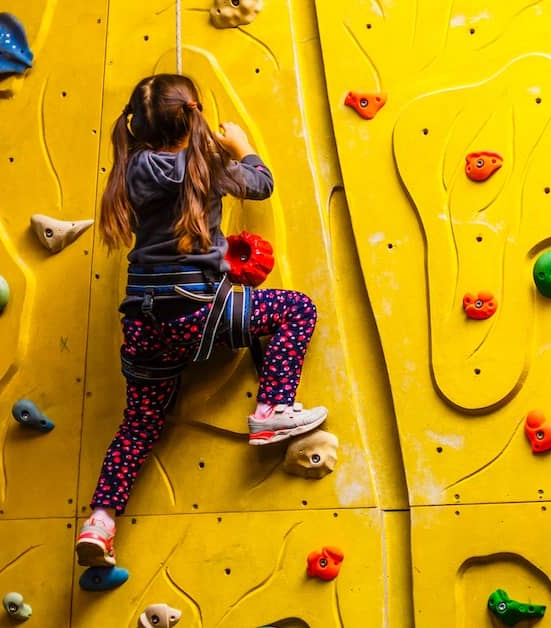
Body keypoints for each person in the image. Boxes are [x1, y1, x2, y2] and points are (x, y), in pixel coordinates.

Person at [75, 74, 328, 568]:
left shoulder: (129, 168)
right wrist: (242, 147)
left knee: (140, 423)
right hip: (198, 311)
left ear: (137, 125)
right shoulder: (207, 165)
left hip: (143, 323)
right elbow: (262, 184)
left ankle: (100, 521)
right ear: (195, 115)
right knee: (296, 309)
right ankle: (274, 407)